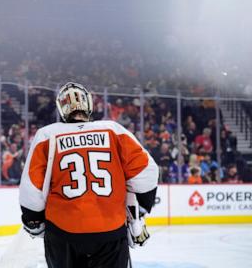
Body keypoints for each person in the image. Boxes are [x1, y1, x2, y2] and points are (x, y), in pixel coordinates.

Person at [19, 82, 159, 268]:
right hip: (110, 232)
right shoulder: (113, 130)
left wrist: (32, 218)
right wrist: (140, 211)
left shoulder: (46, 135)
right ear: (89, 104)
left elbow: (32, 189)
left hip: (63, 233)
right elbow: (146, 172)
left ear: (62, 108)